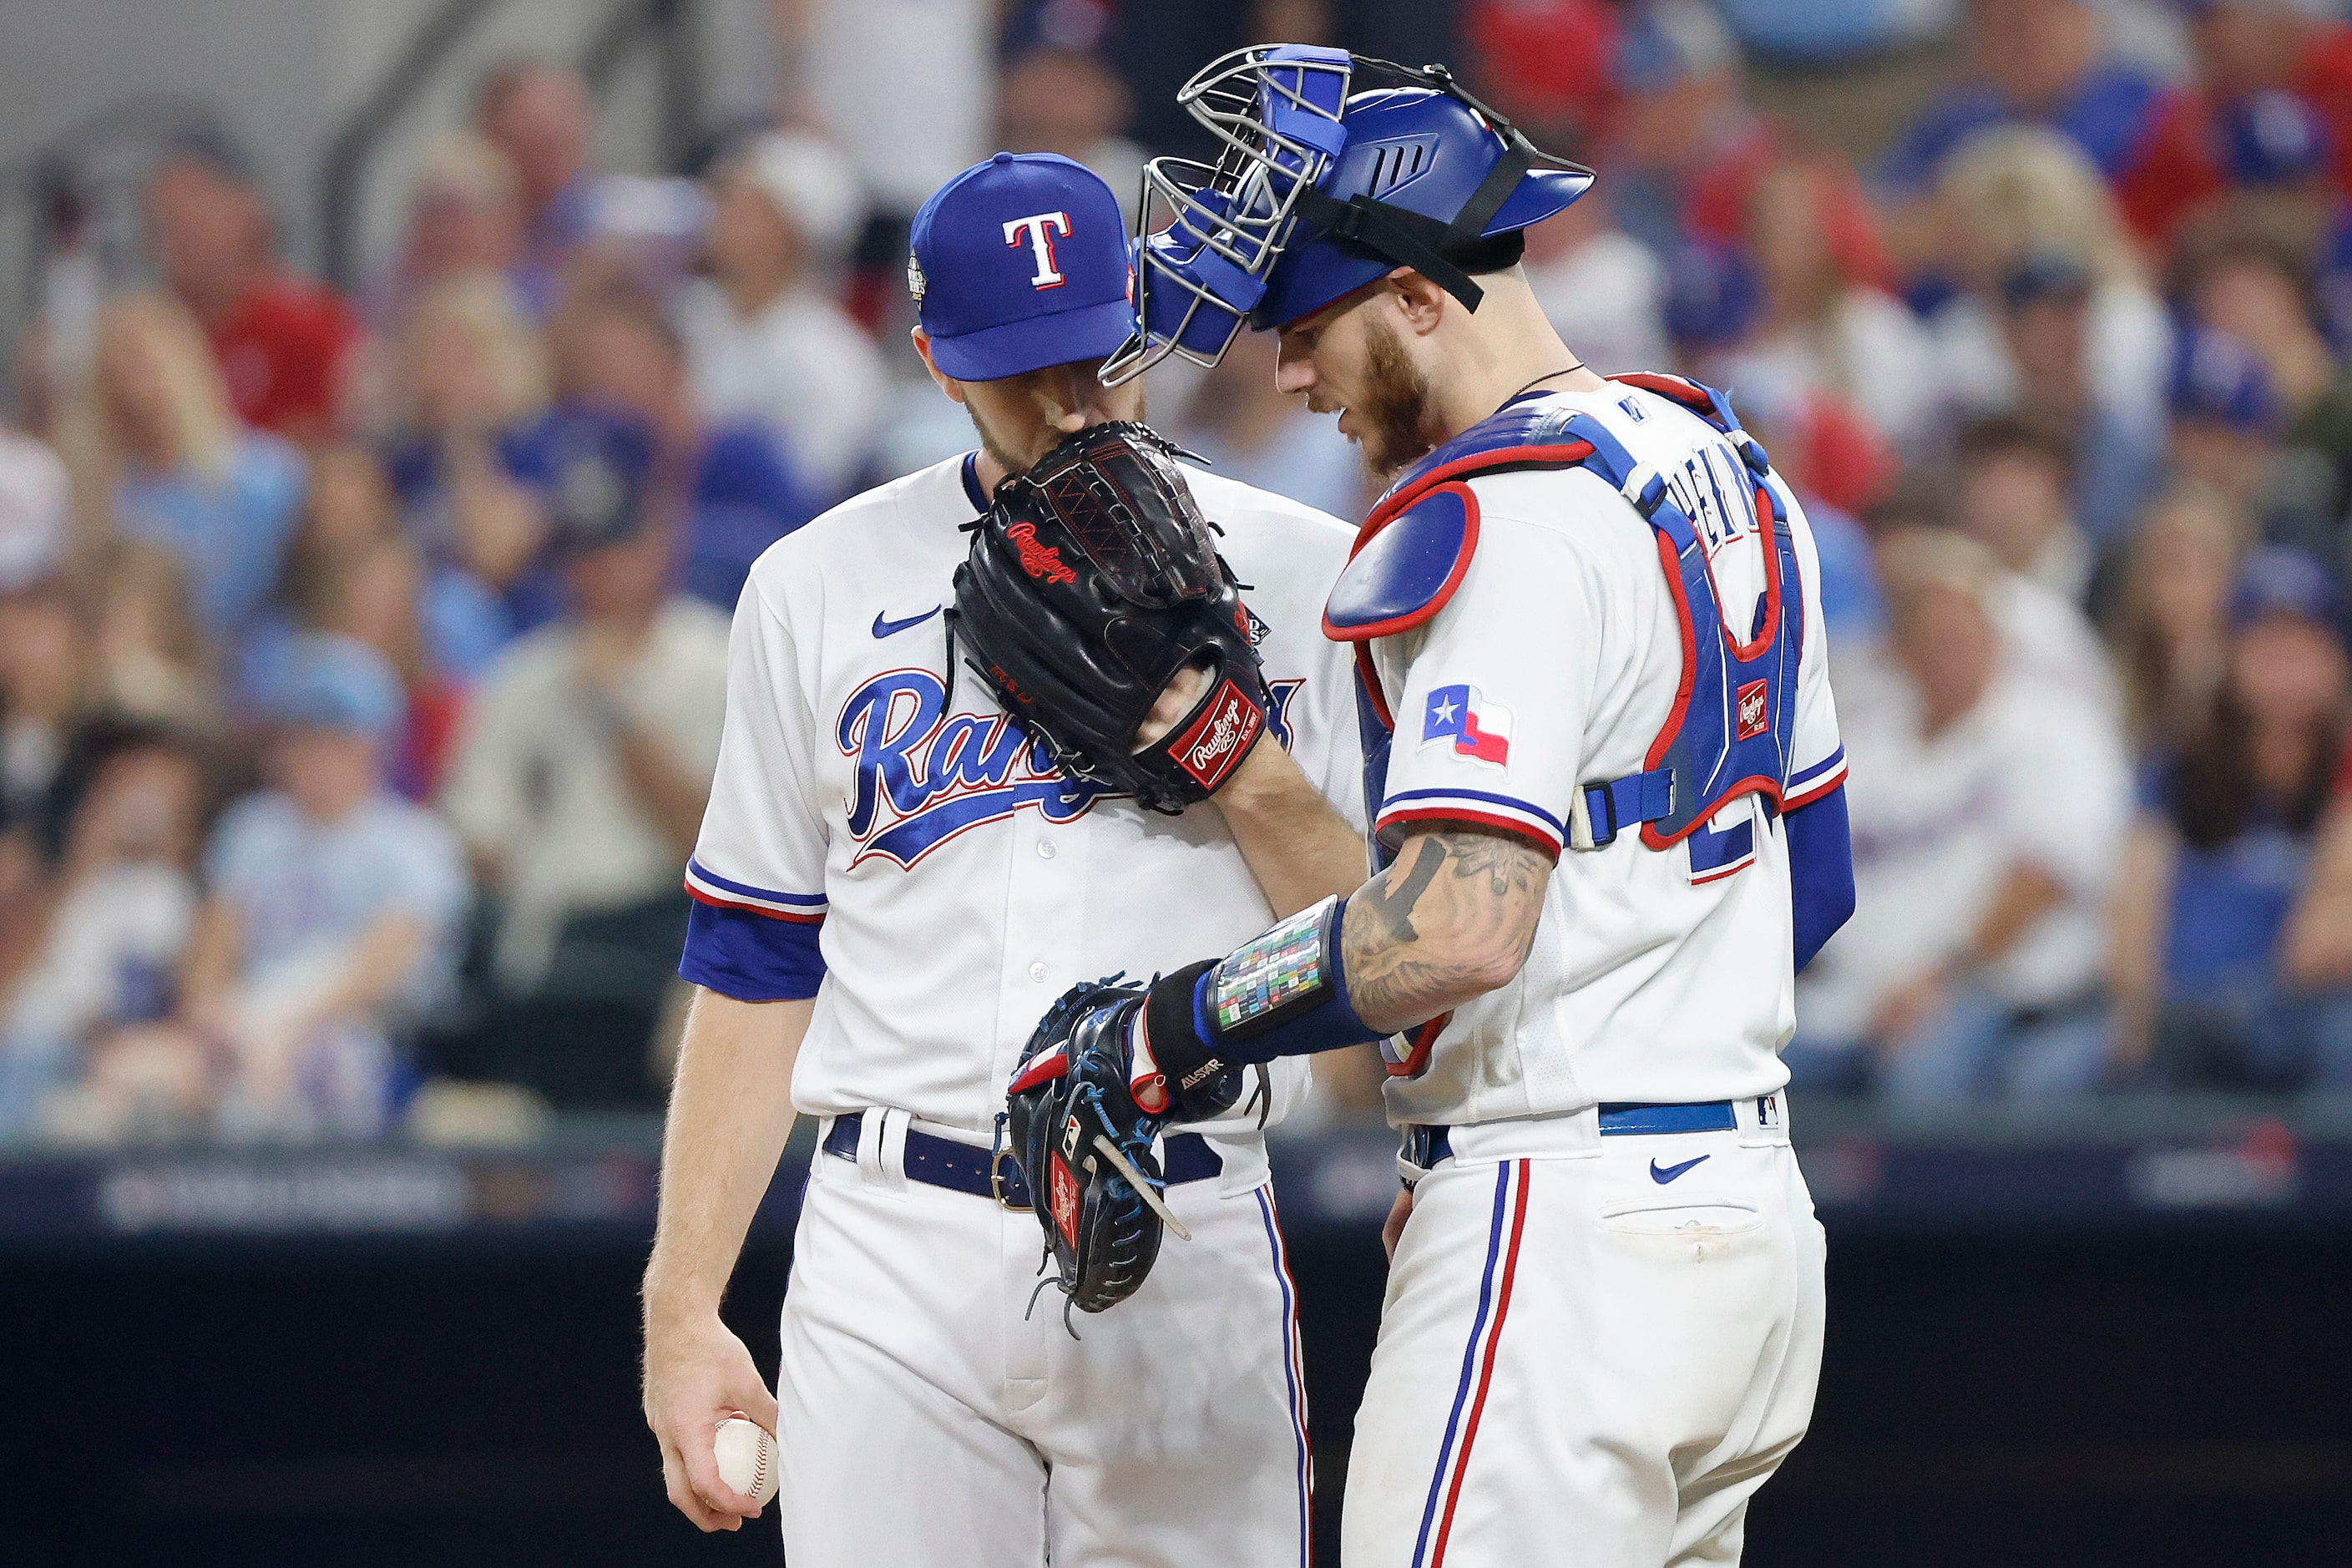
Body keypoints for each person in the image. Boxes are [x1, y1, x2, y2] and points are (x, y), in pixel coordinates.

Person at [1103, 48, 1849, 1565]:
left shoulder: (1500, 518)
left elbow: (1456, 926)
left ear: (1421, 296)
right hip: (1748, 1231)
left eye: (1306, 327)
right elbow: (1811, 887)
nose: (1288, 374)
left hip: (1566, 1225)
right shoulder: (1720, 459)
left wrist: (1175, 1024)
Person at [639, 152, 1368, 1562]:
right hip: (891, 1240)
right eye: (1018, 371)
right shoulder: (816, 585)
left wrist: (1240, 763)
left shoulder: (1304, 574)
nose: (1067, 405)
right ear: (931, 359)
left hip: (1185, 1212)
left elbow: (1383, 935)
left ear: (1141, 319)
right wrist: (683, 1307)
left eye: (1094, 359)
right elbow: (751, 962)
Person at [1793, 529, 2130, 1105]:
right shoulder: (1869, 744)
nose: (1949, 650)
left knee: (1920, 1083)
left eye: (1962, 631)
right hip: (1857, 999)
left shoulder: (2050, 726)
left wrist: (1941, 976)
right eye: (1930, 636)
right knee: (1759, 1073)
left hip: (1997, 994)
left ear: (1993, 636)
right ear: (1900, 651)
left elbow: (2041, 878)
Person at [439, 411, 728, 1024]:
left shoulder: (721, 662)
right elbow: (479, 847)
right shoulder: (520, 678)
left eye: (614, 549)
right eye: (580, 553)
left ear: (657, 547)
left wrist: (617, 708)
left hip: (671, 934)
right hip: (548, 938)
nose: (595, 573)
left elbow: (713, 849)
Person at [181, 634, 469, 1138]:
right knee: (140, 1072)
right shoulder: (252, 830)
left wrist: (284, 1025)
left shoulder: (413, 843)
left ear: (375, 746)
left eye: (338, 740)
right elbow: (211, 952)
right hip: (246, 1021)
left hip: (369, 1035)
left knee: (318, 1063)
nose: (319, 757)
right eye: (305, 737)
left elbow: (381, 966)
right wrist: (218, 1019)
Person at [2110, 546, 2352, 1089]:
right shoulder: (2182, 764)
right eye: (2263, 644)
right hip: (2182, 1012)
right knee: (2070, 1068)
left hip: (2301, 1014)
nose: (2282, 665)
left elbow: (2319, 943)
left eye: (2300, 644)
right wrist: (2137, 1010)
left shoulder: (2344, 767)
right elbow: (2132, 905)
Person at [58, 293, 306, 643]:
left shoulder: (269, 480)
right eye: (115, 379)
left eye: (148, 372)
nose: (135, 394)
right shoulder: (96, 500)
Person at [673, 131, 886, 507]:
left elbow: (814, 490)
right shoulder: (686, 315)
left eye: (747, 207)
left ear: (790, 234)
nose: (722, 214)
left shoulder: (833, 358)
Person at [144, 139, 356, 445]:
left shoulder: (308, 328)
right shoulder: (149, 339)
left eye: (190, 223)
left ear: (247, 214)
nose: (173, 245)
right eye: (160, 227)